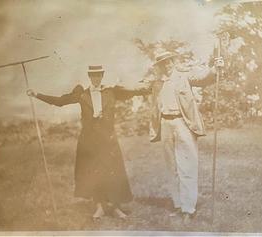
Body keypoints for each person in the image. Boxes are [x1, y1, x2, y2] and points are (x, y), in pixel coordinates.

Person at [27, 65, 147, 221]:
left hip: (108, 139)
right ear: (89, 76)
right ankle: (99, 207)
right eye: (93, 75)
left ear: (102, 75)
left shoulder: (111, 92)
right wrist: (36, 94)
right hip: (89, 141)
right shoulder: (82, 94)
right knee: (93, 172)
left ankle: (116, 208)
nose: (96, 78)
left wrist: (153, 87)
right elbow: (60, 101)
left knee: (114, 172)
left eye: (99, 75)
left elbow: (134, 92)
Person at [138, 51, 223, 220]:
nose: (167, 65)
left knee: (187, 165)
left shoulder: (184, 76)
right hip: (165, 124)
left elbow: (203, 79)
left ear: (173, 61)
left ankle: (188, 209)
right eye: (163, 63)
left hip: (183, 123)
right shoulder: (157, 83)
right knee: (171, 167)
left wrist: (215, 69)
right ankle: (177, 204)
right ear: (160, 67)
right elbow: (137, 88)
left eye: (169, 61)